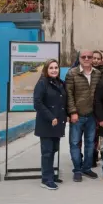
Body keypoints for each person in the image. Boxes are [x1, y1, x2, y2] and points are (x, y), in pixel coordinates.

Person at [65, 49, 102, 182]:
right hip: (77, 115)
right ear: (79, 58)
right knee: (75, 143)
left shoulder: (98, 74)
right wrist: (72, 112)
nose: (86, 59)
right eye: (83, 57)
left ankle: (86, 168)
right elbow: (68, 94)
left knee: (90, 143)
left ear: (93, 59)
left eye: (89, 57)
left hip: (92, 115)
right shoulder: (72, 73)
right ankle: (77, 170)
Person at [33, 59, 68, 190]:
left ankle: (50, 175)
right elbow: (37, 103)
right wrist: (50, 117)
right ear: (46, 70)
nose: (54, 70)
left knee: (53, 150)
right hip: (47, 123)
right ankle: (46, 179)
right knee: (47, 152)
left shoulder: (60, 83)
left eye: (56, 67)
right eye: (51, 68)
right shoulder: (42, 83)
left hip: (58, 123)